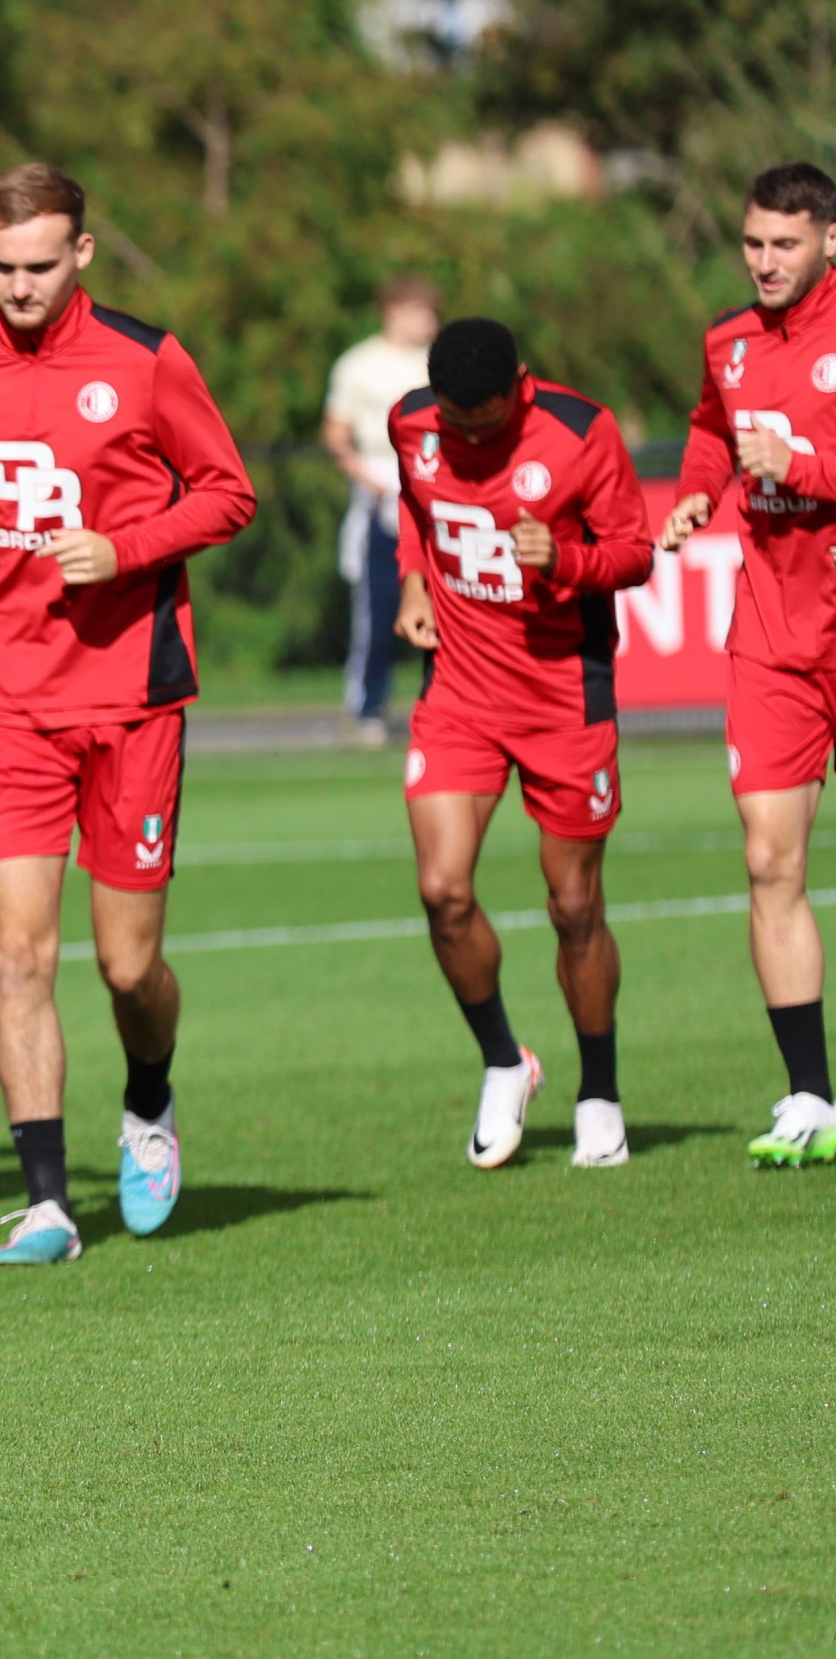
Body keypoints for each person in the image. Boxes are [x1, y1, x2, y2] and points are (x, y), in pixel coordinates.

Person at [0, 163, 256, 1263]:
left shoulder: (148, 361)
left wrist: (127, 547)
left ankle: (150, 1098)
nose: (18, 286)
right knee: (17, 954)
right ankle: (48, 1198)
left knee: (128, 967)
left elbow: (229, 490)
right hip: (3, 699)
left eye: (40, 266)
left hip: (133, 696)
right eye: (0, 266)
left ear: (83, 254)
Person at [388, 317, 647, 1167]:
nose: (466, 438)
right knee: (442, 890)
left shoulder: (581, 432)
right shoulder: (410, 423)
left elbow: (635, 553)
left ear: (522, 385)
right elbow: (413, 504)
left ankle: (600, 1090)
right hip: (459, 691)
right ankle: (506, 1060)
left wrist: (565, 558)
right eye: (454, 425)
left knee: (575, 907)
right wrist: (416, 581)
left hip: (564, 696)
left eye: (485, 423)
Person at [658, 160, 836, 1163]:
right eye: (754, 243)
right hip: (772, 634)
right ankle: (810, 1095)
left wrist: (800, 466)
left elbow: (793, 457)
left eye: (786, 244)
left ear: (830, 241)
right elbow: (708, 428)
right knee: (771, 858)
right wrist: (697, 488)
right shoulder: (727, 339)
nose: (765, 262)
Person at [324, 279, 439, 739]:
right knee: (377, 607)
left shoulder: (437, 361)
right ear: (394, 311)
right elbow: (336, 435)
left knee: (444, 601)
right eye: (420, 311)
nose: (429, 322)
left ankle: (440, 705)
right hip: (381, 488)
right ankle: (368, 708)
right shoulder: (359, 364)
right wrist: (371, 480)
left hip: (431, 484)